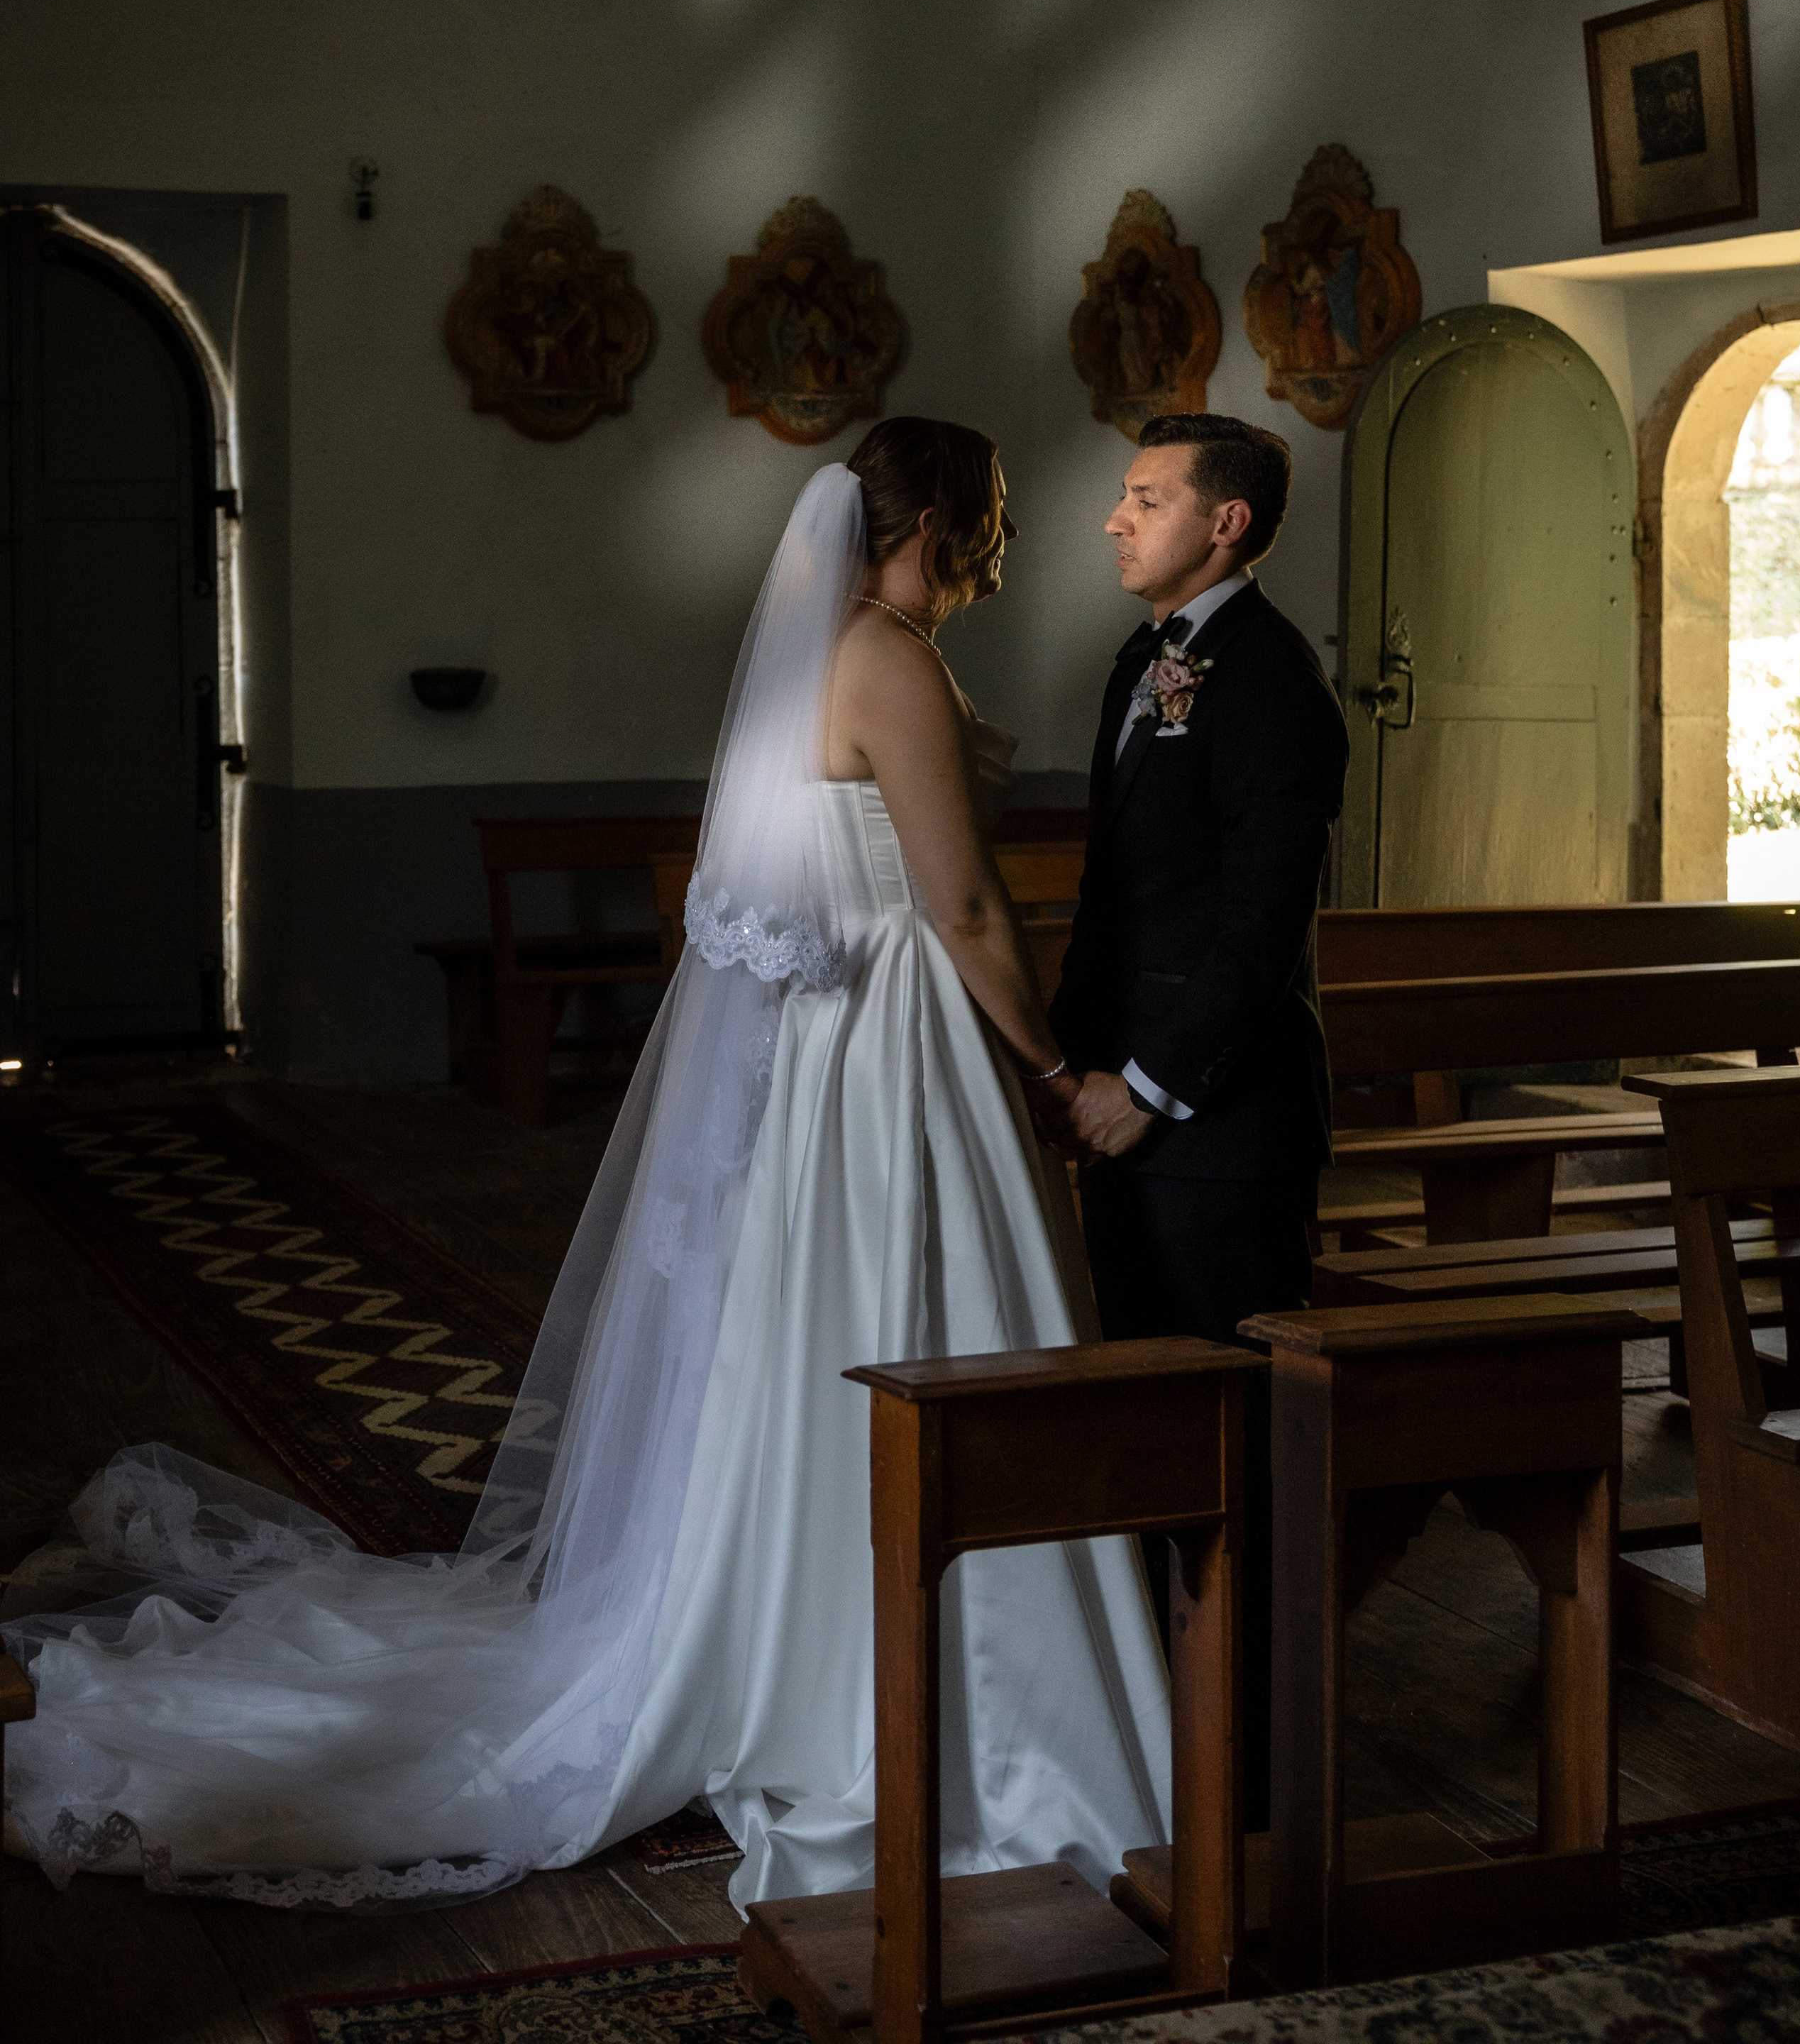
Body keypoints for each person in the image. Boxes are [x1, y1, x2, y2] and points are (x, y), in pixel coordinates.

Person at [3, 419, 1169, 1913]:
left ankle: (782, 1629)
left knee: (825, 1342)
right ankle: (919, 1679)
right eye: (991, 517)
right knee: (925, 1327)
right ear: (933, 524)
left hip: (829, 1061)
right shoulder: (889, 659)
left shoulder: (813, 656)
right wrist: (1058, 1074)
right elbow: (965, 912)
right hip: (896, 1052)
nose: (1000, 547)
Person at [1045, 411, 1349, 1823]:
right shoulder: (1144, 658)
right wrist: (1065, 1063)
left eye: (1145, 497)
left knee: (1237, 1423)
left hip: (1215, 1125)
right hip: (1122, 1102)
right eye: (1123, 495)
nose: (1116, 518)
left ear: (1223, 523)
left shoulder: (1272, 682)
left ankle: (1264, 1759)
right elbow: (1123, 903)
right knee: (1159, 1414)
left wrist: (1148, 1088)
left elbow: (1252, 926)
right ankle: (1176, 1725)